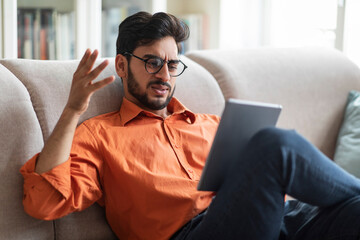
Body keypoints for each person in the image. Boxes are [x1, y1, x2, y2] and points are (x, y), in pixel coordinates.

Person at [20, 11, 360, 240]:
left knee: (351, 211)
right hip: (193, 234)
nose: (164, 76)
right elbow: (43, 203)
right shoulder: (100, 135)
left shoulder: (211, 124)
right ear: (121, 66)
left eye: (172, 64)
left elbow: (268, 190)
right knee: (274, 144)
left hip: (275, 221)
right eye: (152, 62)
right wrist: (72, 110)